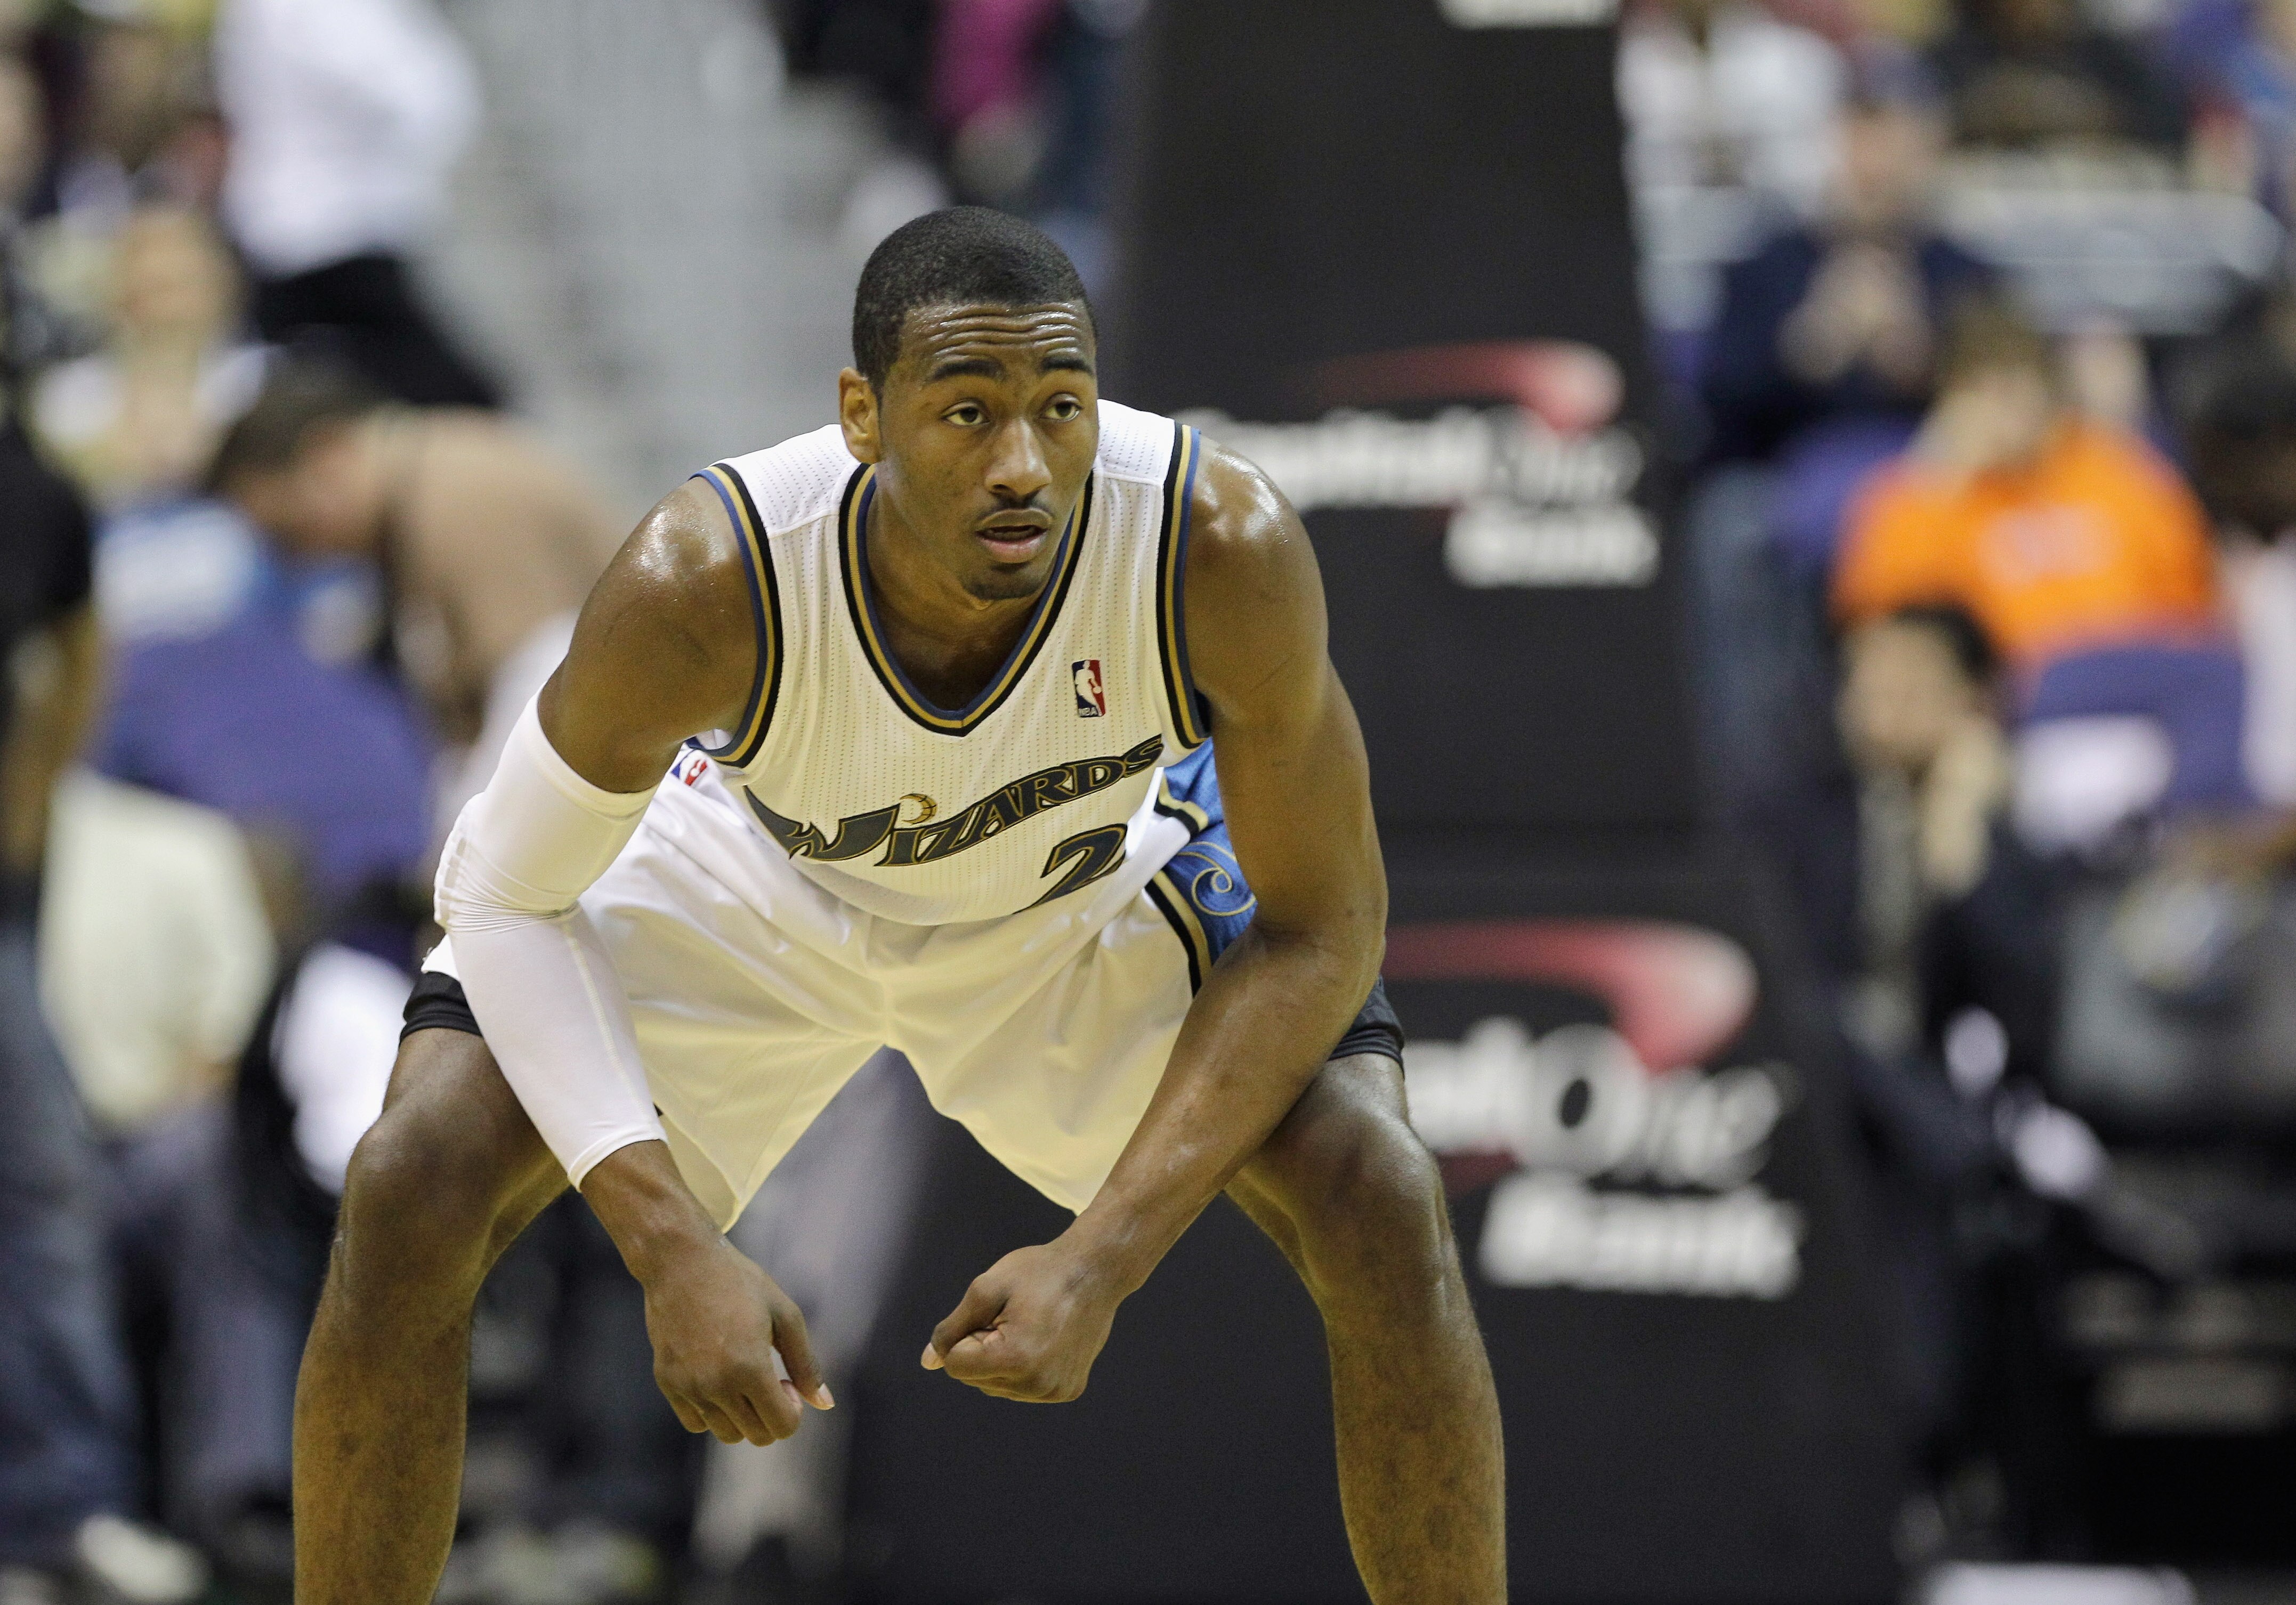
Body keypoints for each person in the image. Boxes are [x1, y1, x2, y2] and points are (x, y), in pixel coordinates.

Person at [292, 206, 1505, 1603]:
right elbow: (498, 892)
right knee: (407, 1183)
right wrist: (674, 1247)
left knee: (1382, 1192)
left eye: (1059, 409)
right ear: (862, 415)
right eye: (967, 411)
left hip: (1073, 889)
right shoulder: (708, 575)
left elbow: (1324, 927)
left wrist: (1101, 1258)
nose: (1020, 465)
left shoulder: (1211, 545)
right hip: (755, 883)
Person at [206, 360, 624, 844]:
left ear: (329, 459)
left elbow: (537, 691)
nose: (297, 559)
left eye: (289, 532)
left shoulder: (461, 490)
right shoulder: (415, 504)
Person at [1833, 298, 2223, 675]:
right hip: (1993, 706)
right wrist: (1942, 477)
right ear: (1952, 398)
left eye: (2019, 382)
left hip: (2126, 695)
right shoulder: (1919, 494)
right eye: (1983, 389)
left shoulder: (2119, 472)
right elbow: (1885, 626)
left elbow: (2191, 603)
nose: (2006, 410)